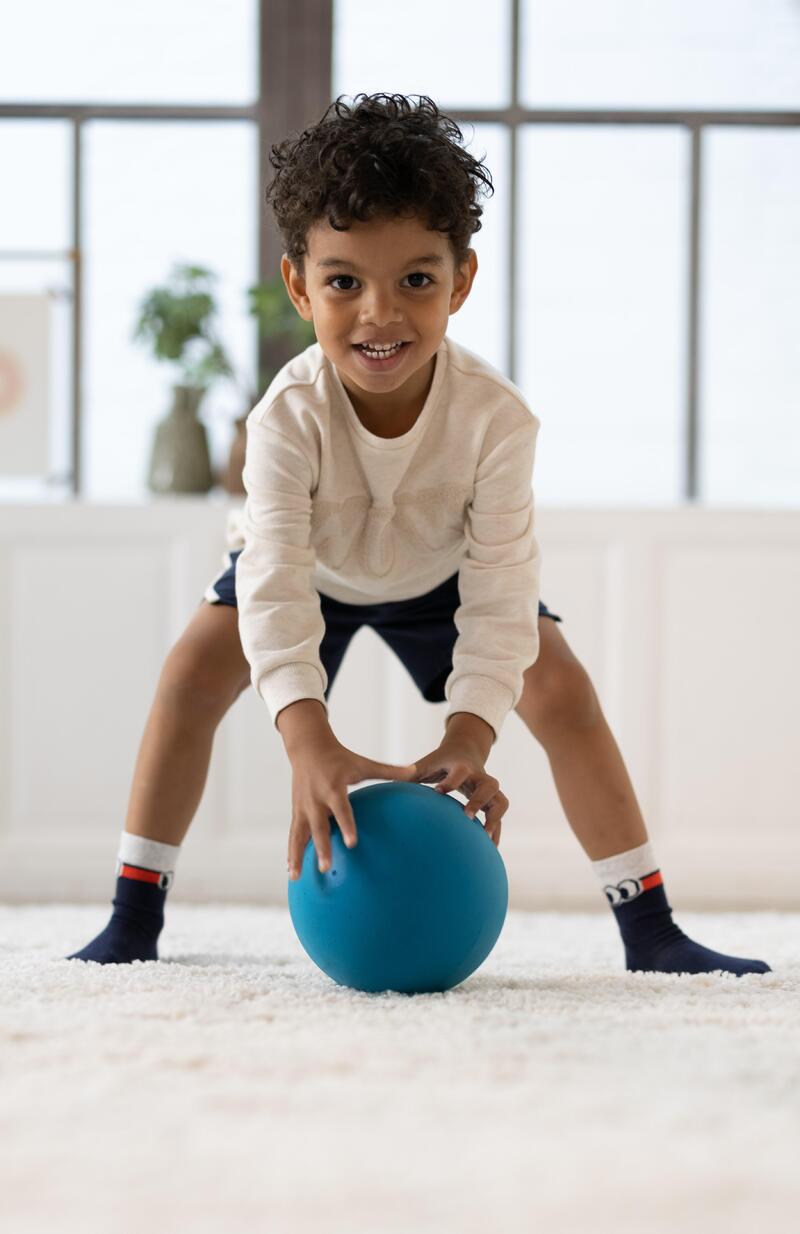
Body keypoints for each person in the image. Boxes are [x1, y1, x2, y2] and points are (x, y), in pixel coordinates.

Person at [66, 93, 769, 977]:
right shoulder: (286, 418)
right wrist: (306, 737)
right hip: (313, 572)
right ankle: (133, 919)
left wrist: (471, 734)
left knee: (564, 692)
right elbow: (275, 580)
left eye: (416, 280)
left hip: (441, 576)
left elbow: (503, 584)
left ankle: (652, 929)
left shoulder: (498, 420)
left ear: (460, 282)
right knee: (191, 673)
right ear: (300, 285)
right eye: (344, 281)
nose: (379, 315)